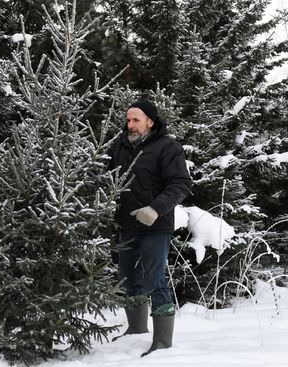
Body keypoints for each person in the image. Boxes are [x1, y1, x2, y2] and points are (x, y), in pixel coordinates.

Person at [108, 100, 192, 356]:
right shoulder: (119, 146)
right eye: (128, 120)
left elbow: (180, 184)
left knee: (154, 279)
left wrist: (154, 209)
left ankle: (162, 343)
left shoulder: (168, 147)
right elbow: (106, 178)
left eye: (136, 120)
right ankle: (135, 330)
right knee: (127, 277)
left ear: (150, 122)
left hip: (156, 225)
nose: (130, 125)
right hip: (126, 224)